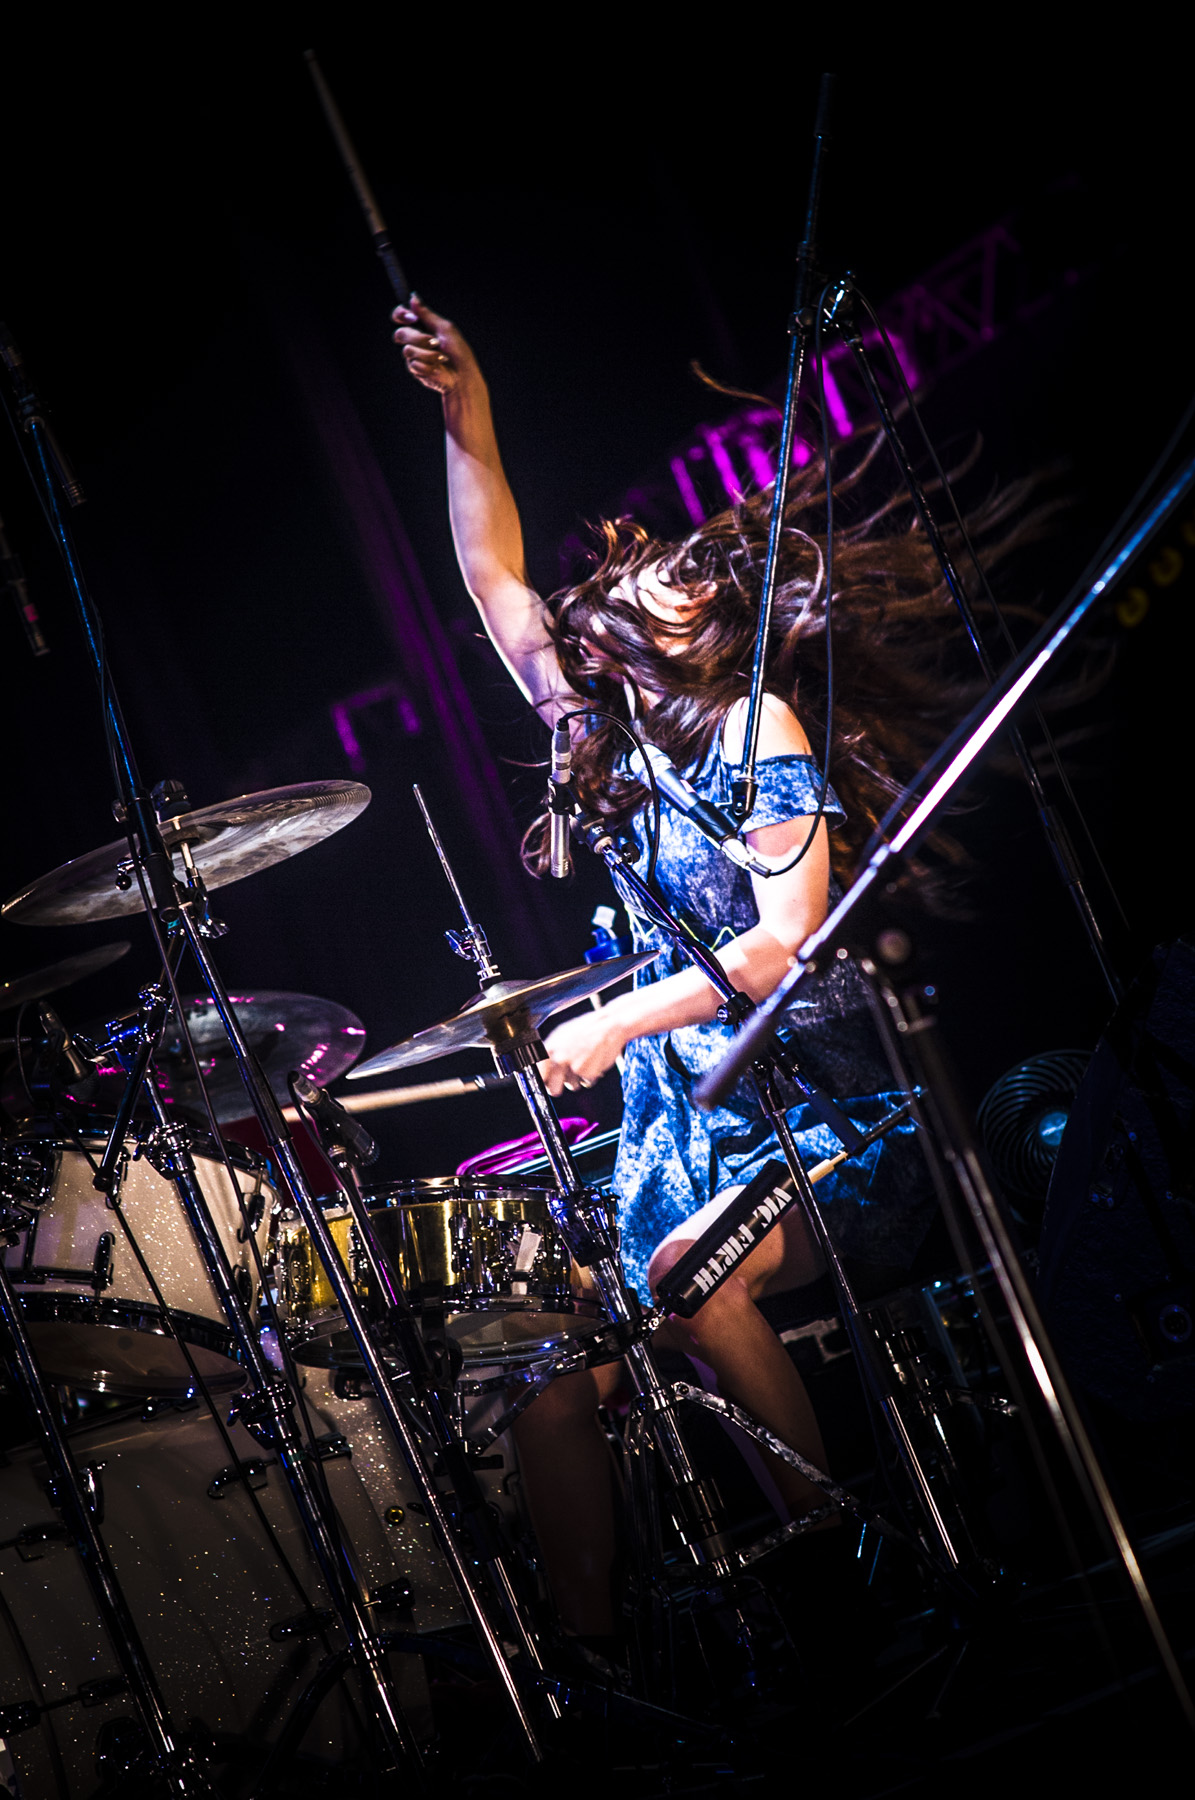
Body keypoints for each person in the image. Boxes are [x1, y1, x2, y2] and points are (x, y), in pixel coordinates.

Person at [392, 294, 1020, 1648]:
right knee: (543, 1361)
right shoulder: (604, 746)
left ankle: (845, 1573)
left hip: (827, 1126)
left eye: (675, 575)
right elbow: (492, 581)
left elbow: (781, 943)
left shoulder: (756, 727)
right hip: (682, 1141)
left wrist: (618, 1021)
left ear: (698, 633)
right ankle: (594, 1669)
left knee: (691, 1273)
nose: (643, 574)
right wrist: (466, 404)